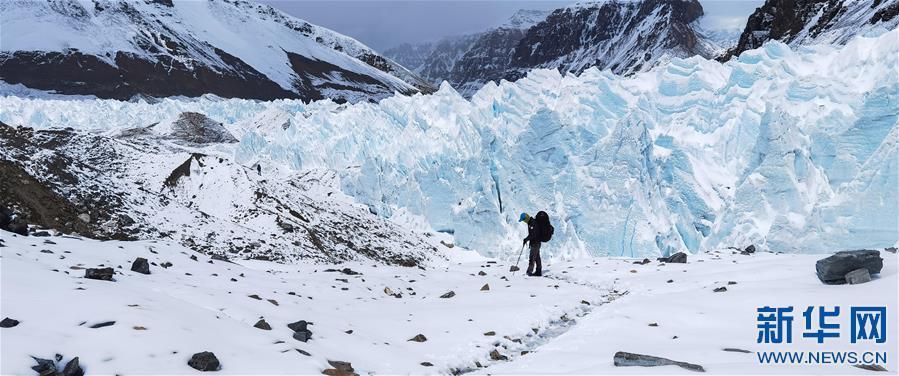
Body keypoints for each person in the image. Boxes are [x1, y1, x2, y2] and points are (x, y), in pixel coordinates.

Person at [519, 212, 542, 276]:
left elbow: (533, 235)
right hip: (536, 243)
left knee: (532, 258)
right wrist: (527, 239)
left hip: (535, 243)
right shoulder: (530, 223)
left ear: (526, 218)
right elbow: (532, 234)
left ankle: (529, 272)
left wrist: (526, 239)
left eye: (523, 220)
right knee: (537, 258)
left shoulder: (532, 223)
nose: (523, 221)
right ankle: (538, 271)